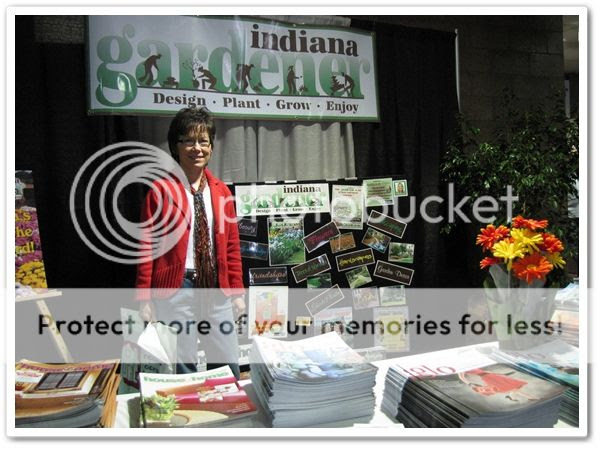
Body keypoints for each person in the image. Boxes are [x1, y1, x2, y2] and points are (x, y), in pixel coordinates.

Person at [135, 107, 245, 378]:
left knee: (228, 363)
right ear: (176, 146)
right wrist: (144, 298)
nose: (197, 148)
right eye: (189, 141)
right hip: (177, 289)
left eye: (203, 141)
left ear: (211, 147)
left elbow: (232, 247)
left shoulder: (222, 191)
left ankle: (225, 403)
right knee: (183, 367)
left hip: (216, 288)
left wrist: (237, 292)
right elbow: (146, 249)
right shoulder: (160, 191)